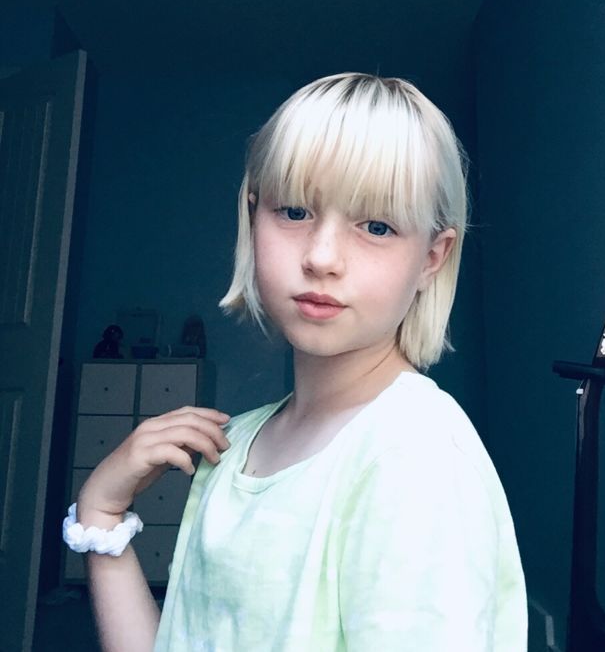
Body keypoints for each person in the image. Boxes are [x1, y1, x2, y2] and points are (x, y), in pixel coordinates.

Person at [66, 73, 527, 651]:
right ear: (252, 215)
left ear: (432, 258)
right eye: (294, 211)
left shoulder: (416, 455)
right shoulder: (235, 445)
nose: (322, 257)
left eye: (377, 226)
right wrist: (101, 513)